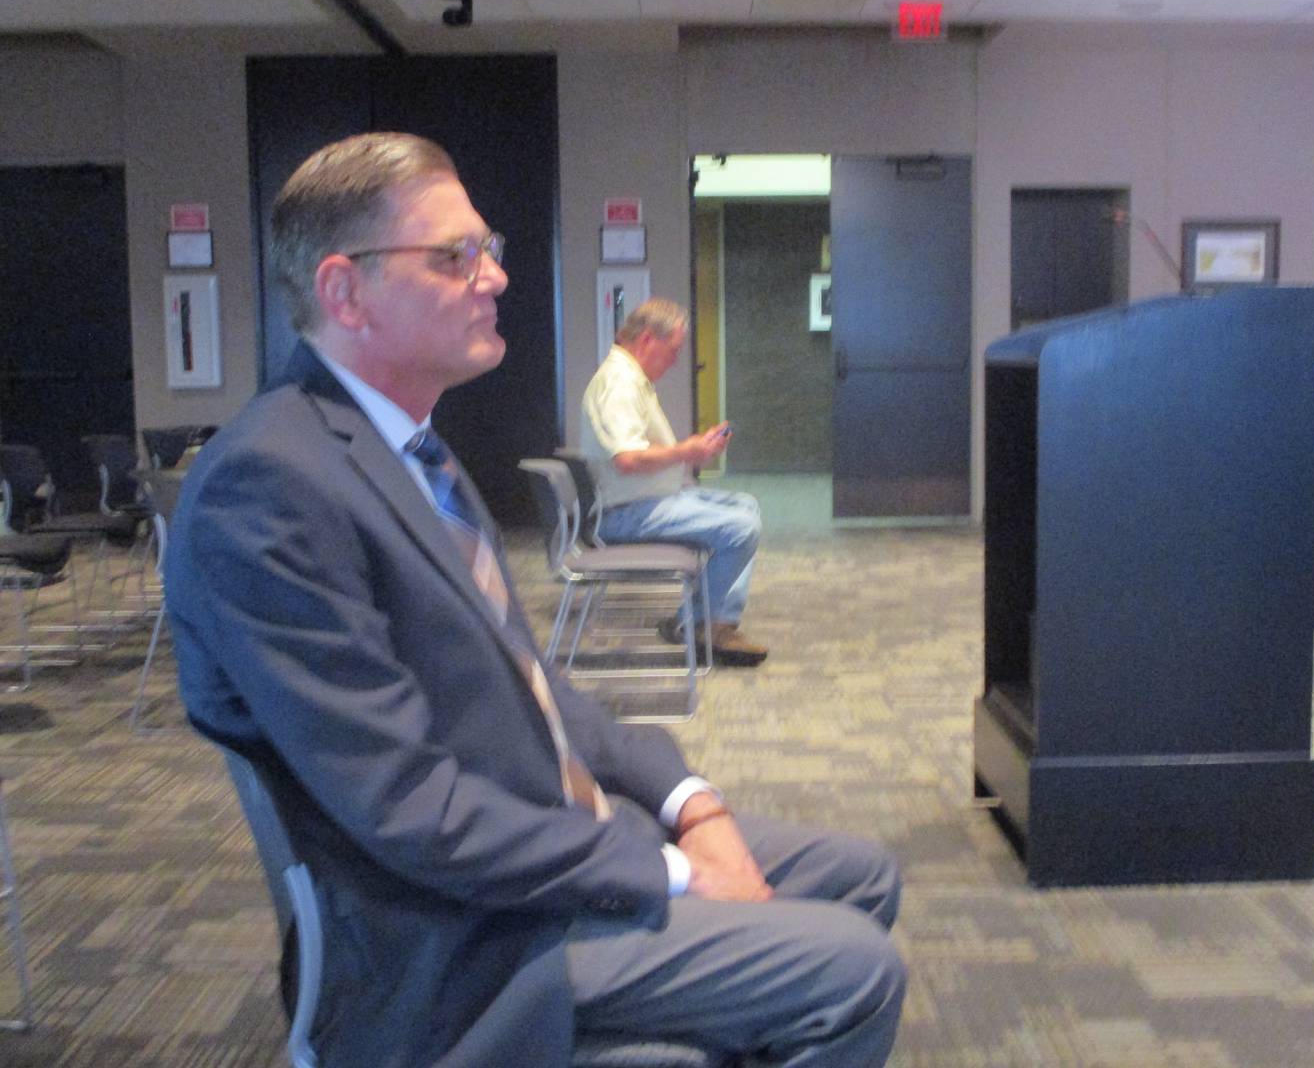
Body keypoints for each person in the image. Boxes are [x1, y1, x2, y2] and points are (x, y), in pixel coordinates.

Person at [165, 133, 904, 1068]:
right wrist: (670, 871)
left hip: (548, 839)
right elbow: (406, 808)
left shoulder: (409, 450)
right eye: (454, 256)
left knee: (862, 877)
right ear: (345, 291)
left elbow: (536, 687)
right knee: (854, 970)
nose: (496, 277)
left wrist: (689, 800)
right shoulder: (270, 486)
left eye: (490, 248)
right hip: (464, 934)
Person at [580, 299, 768, 666]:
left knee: (746, 506)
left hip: (648, 500)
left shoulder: (632, 378)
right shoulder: (619, 383)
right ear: (648, 339)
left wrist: (693, 451)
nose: (676, 360)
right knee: (740, 527)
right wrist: (687, 451)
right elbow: (628, 458)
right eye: (674, 350)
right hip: (628, 512)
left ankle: (712, 623)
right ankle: (700, 624)